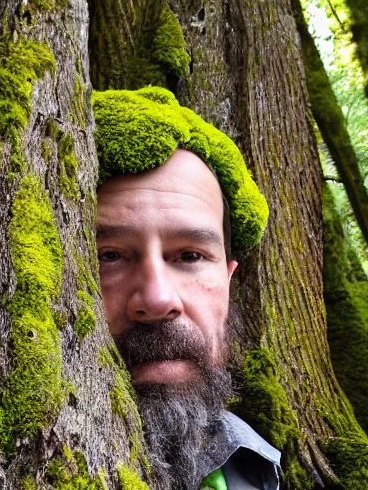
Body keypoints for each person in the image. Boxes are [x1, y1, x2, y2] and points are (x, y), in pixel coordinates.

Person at [93, 87, 280, 490]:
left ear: (227, 282)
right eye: (109, 256)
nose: (158, 300)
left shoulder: (262, 471)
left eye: (191, 256)